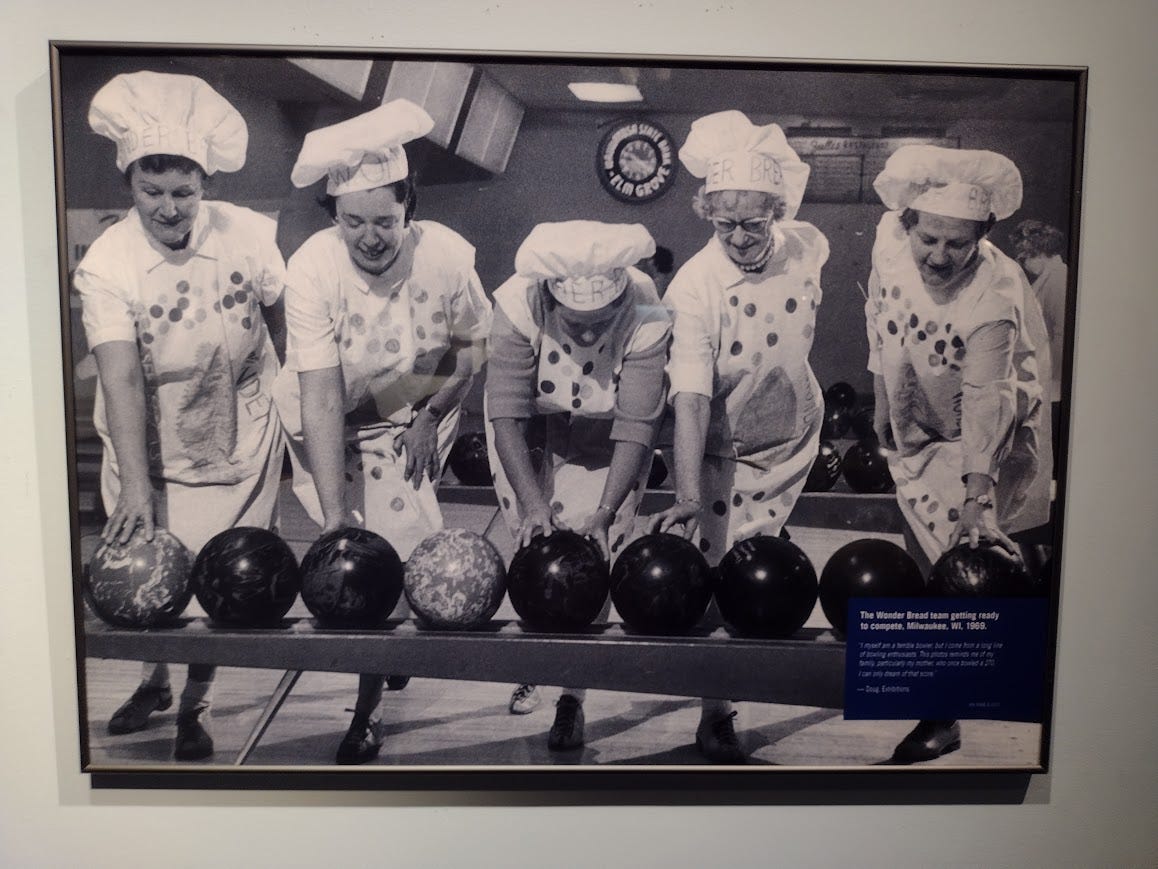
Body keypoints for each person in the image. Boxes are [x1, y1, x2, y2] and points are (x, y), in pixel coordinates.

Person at [73, 72, 287, 761]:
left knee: (214, 582)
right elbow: (121, 375)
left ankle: (198, 702)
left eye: (184, 193)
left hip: (241, 435)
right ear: (129, 181)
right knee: (147, 572)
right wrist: (136, 483)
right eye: (151, 191)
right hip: (148, 442)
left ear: (206, 185)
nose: (168, 209)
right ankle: (152, 681)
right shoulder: (108, 263)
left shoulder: (250, 237)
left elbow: (285, 328)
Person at [274, 100, 492, 764]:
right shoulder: (313, 267)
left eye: (385, 221)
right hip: (324, 413)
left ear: (410, 207)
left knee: (393, 541)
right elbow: (317, 391)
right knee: (358, 549)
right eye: (353, 222)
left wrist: (429, 417)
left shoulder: (446, 256)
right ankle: (380, 655)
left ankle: (365, 711)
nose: (369, 237)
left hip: (410, 406)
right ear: (333, 216)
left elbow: (473, 346)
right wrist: (337, 517)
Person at [649, 110, 828, 763]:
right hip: (723, 446)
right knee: (726, 575)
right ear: (705, 212)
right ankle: (717, 712)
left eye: (756, 222)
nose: (742, 237)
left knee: (762, 572)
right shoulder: (695, 286)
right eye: (725, 223)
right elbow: (690, 397)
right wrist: (689, 493)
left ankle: (733, 686)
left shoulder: (808, 245)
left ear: (779, 211)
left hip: (791, 437)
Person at [865, 145, 1052, 763]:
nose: (940, 257)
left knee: (964, 567)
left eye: (958, 245)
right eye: (930, 240)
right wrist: (879, 405)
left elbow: (985, 400)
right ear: (906, 225)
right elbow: (879, 324)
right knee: (923, 565)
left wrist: (979, 493)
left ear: (984, 236)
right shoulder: (888, 249)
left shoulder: (995, 297)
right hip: (918, 419)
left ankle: (946, 715)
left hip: (986, 434)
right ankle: (946, 702)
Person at [486, 221, 670, 748]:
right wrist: (533, 504)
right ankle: (533, 661)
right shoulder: (517, 301)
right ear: (549, 293)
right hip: (534, 431)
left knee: (591, 556)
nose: (588, 333)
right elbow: (506, 413)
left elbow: (637, 423)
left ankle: (572, 697)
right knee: (534, 540)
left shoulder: (649, 306)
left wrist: (608, 511)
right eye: (574, 321)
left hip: (604, 434)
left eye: (601, 320)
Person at [1011, 219, 1067, 472]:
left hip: (1052, 381)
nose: (1023, 263)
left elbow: (1060, 335)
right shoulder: (1047, 279)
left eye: (1025, 257)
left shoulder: (1058, 280)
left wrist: (1047, 378)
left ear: (1038, 252)